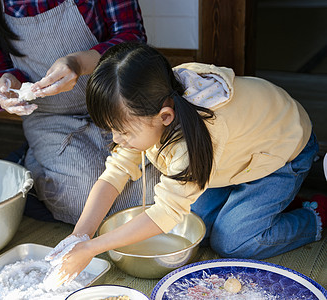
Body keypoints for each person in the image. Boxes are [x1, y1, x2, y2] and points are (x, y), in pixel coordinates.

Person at [43, 42, 324, 287]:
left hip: (282, 153)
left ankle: (315, 217)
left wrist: (92, 248)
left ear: (165, 117)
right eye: (112, 131)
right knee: (198, 223)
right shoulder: (153, 96)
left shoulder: (195, 137)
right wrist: (79, 236)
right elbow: (115, 172)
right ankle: (269, 205)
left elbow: (165, 213)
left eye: (124, 132)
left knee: (231, 241)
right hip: (237, 158)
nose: (117, 140)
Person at [0, 0, 160, 224]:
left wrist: (79, 63)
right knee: (82, 200)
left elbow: (133, 40)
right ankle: (36, 162)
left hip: (117, 104)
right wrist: (6, 84)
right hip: (50, 116)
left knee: (157, 189)